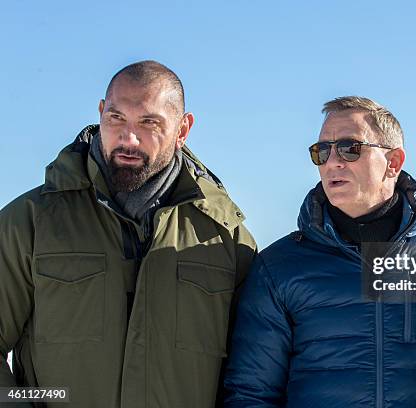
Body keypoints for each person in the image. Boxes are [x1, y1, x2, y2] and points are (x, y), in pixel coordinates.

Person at [0, 60, 256, 407]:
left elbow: (252, 373)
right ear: (101, 112)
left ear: (183, 129)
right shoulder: (30, 221)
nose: (128, 138)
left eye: (149, 122)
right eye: (116, 118)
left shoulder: (225, 238)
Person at [224, 96, 416, 407]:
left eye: (350, 148)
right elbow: (250, 393)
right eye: (321, 151)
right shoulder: (279, 267)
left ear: (393, 162)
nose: (332, 162)